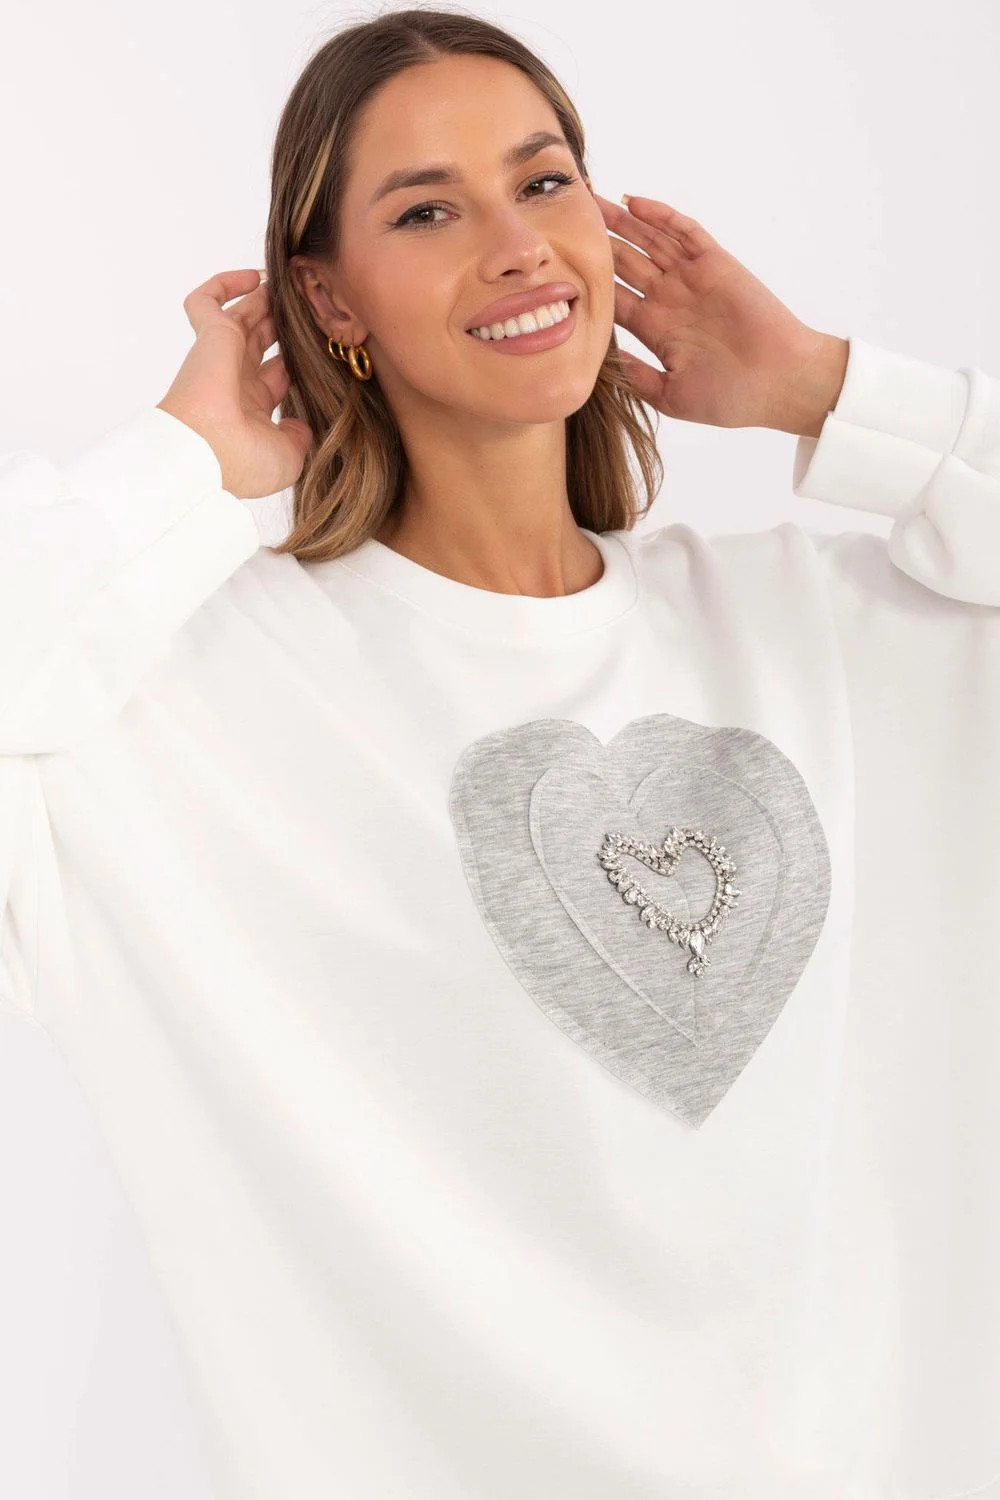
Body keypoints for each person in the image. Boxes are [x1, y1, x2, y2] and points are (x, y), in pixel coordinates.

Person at [2, 8, 998, 1498]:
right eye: (428, 211)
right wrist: (190, 470)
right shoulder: (183, 699)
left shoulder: (821, 635)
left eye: (543, 183)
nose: (521, 246)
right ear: (326, 298)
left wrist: (831, 391)